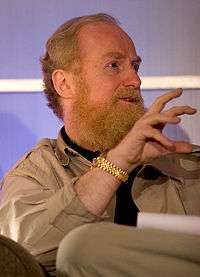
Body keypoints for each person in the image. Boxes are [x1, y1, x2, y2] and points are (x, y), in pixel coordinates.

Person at [0, 13, 200, 276]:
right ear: (64, 83)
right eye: (114, 65)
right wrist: (118, 162)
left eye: (135, 66)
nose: (135, 80)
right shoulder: (35, 172)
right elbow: (17, 257)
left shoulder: (186, 163)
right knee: (82, 246)